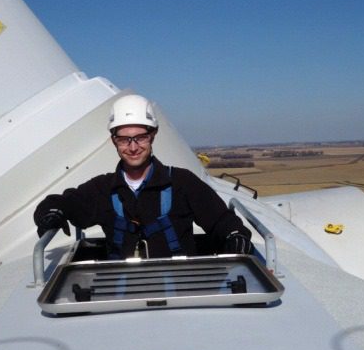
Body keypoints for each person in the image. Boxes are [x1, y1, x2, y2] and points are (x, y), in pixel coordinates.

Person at [33, 94, 252, 259]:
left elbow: (221, 220)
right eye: (124, 139)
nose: (133, 147)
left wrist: (236, 235)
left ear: (153, 136)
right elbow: (62, 203)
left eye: (141, 137)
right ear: (113, 141)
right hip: (123, 291)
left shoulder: (182, 183)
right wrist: (50, 213)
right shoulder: (103, 189)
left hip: (182, 289)